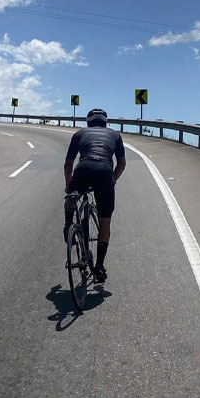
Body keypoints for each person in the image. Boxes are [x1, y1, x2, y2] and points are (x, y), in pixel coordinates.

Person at [64, 108, 126, 283]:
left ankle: (68, 223)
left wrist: (69, 187)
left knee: (70, 197)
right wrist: (112, 181)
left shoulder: (79, 133)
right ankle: (99, 266)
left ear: (88, 122)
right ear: (106, 122)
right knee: (104, 221)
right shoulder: (114, 135)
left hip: (83, 169)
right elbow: (122, 163)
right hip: (105, 172)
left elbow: (68, 164)